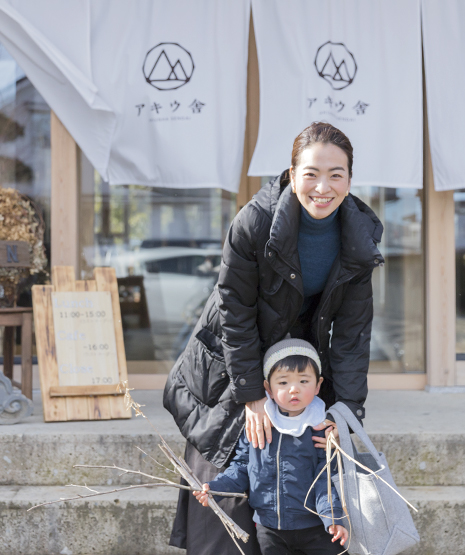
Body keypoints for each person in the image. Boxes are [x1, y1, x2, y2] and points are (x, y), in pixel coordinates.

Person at [164, 122, 383, 554]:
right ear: (291, 173)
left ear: (350, 179)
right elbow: (234, 308)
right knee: (225, 501)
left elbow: (353, 335)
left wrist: (344, 413)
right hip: (233, 363)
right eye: (311, 173)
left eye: (336, 174)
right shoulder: (256, 220)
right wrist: (250, 395)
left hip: (299, 365)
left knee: (305, 502)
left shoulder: (358, 233)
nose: (323, 187)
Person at [193, 339, 349, 555]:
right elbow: (241, 467)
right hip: (269, 527)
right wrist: (216, 489)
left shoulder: (321, 427)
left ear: (318, 385)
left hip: (315, 527)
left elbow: (326, 478)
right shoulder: (259, 425)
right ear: (268, 387)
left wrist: (332, 517)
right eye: (283, 382)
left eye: (304, 381)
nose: (294, 389)